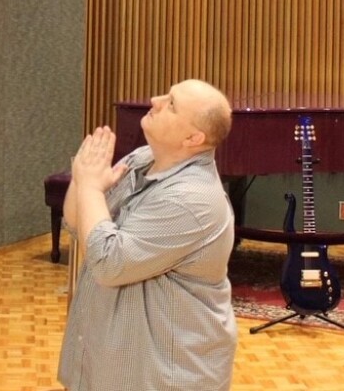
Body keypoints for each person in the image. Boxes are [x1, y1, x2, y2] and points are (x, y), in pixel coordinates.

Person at [58, 80, 237, 391]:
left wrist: (89, 186)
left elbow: (108, 263)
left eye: (171, 104)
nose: (155, 99)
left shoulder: (192, 199)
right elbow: (78, 224)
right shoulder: (141, 158)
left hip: (165, 373)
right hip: (108, 361)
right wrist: (84, 175)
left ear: (193, 137)